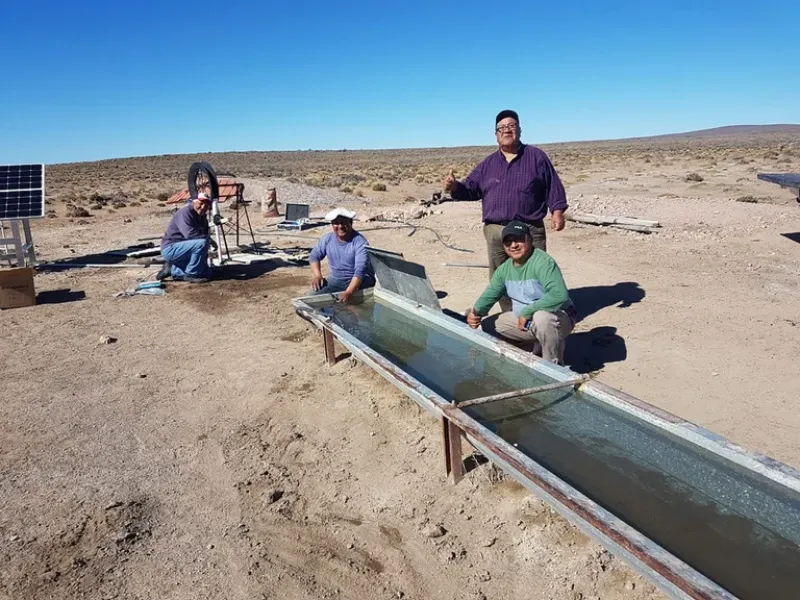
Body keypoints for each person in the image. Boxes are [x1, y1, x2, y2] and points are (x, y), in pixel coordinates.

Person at [444, 109, 568, 311]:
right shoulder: (488, 164)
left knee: (534, 274)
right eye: (501, 128)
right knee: (500, 278)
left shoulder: (536, 157)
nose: (506, 131)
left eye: (511, 126)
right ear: (495, 134)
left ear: (519, 129)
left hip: (529, 230)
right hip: (496, 232)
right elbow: (472, 189)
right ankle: (509, 317)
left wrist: (557, 211)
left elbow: (552, 185)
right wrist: (455, 186)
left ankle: (536, 316)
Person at [466, 220, 577, 364]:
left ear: (529, 240)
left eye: (519, 239)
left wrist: (527, 312)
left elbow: (559, 295)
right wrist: (476, 313)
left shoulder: (542, 262)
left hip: (559, 315)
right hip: (528, 320)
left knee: (542, 318)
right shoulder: (504, 269)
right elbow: (490, 294)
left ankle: (553, 365)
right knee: (490, 325)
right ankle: (537, 343)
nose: (514, 245)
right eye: (508, 242)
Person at [309, 208, 375, 302]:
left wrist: (349, 292)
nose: (340, 226)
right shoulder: (327, 239)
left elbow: (360, 270)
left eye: (344, 222)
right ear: (332, 224)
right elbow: (314, 255)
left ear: (350, 223)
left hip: (360, 281)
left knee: (353, 307)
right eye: (336, 223)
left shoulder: (360, 242)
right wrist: (317, 275)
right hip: (335, 281)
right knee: (310, 298)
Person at [158, 193, 213, 283]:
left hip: (186, 248)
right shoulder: (184, 213)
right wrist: (207, 241)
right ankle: (191, 274)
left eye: (206, 205)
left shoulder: (202, 217)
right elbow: (190, 235)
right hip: (170, 248)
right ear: (193, 202)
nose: (203, 207)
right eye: (201, 203)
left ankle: (173, 270)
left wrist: (210, 242)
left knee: (206, 272)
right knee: (201, 244)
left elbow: (205, 234)